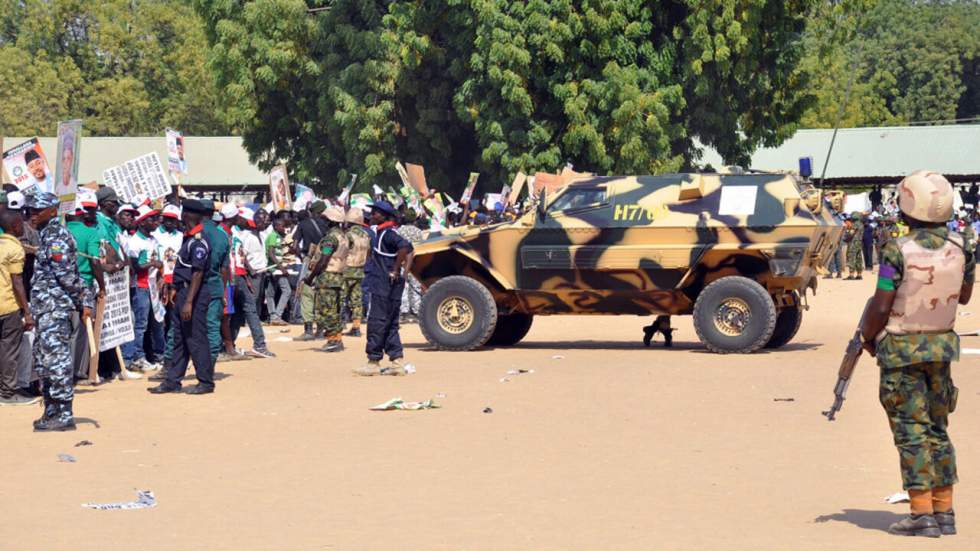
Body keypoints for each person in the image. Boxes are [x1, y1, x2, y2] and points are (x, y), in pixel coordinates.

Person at [860, 171, 974, 538]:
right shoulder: (961, 246)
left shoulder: (897, 249)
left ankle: (920, 513)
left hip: (901, 352)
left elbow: (881, 303)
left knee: (911, 432)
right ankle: (945, 511)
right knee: (938, 429)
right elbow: (966, 295)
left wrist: (867, 336)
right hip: (941, 349)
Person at [27, 192, 93, 431]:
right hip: (45, 308)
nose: (32, 214)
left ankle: (64, 413)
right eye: (30, 210)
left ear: (53, 211)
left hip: (55, 308)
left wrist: (83, 299)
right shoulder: (45, 234)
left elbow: (67, 276)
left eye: (37, 210)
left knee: (57, 360)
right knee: (44, 360)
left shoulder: (56, 237)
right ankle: (51, 409)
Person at [148, 199, 215, 395]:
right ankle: (173, 380)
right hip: (184, 292)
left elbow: (197, 273)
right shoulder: (189, 237)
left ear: (187, 215)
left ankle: (205, 381)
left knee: (196, 338)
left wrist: (188, 302)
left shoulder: (198, 240)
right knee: (180, 339)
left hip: (194, 294)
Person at [355, 201, 413, 376]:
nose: (372, 215)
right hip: (391, 285)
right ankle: (397, 362)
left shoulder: (387, 234)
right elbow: (410, 250)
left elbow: (404, 247)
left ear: (384, 216)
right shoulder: (386, 232)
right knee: (390, 323)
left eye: (375, 213)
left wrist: (396, 270)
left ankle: (373, 361)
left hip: (383, 285)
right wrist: (404, 273)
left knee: (377, 322)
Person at [65, 189, 105, 381]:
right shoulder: (90, 233)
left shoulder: (59, 231)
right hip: (83, 286)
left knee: (64, 330)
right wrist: (102, 285)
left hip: (61, 286)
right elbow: (95, 262)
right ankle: (77, 371)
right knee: (80, 330)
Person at [0, 210, 37, 405]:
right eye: (21, 224)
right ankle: (7, 393)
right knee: (9, 350)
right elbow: (17, 282)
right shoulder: (15, 250)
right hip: (7, 306)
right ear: (15, 226)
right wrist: (27, 312)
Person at [123, 205, 165, 371]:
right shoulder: (135, 242)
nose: (156, 222)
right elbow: (135, 266)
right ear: (142, 223)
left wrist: (161, 278)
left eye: (155, 218)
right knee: (141, 324)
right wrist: (152, 264)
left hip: (154, 287)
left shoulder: (153, 240)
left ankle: (159, 355)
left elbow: (159, 262)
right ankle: (138, 357)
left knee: (157, 322)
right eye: (151, 219)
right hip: (140, 287)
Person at [230, 207, 274, 357]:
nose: (266, 222)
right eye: (263, 219)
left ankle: (230, 344)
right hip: (250, 276)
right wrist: (250, 271)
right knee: (250, 309)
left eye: (267, 219)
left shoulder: (260, 235)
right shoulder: (247, 238)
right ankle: (259, 345)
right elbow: (243, 257)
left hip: (260, 274)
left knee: (242, 310)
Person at [303, 206, 348, 352]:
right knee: (334, 310)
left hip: (327, 278)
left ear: (330, 221)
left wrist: (310, 278)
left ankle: (332, 340)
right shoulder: (344, 236)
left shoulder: (330, 238)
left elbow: (323, 261)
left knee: (325, 311)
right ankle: (337, 339)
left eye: (324, 219)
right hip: (339, 277)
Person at [294, 201, 330, 341]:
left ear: (311, 211)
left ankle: (308, 330)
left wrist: (302, 256)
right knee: (321, 294)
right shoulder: (329, 225)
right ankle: (320, 330)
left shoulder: (303, 224)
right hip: (327, 261)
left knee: (306, 294)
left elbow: (295, 245)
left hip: (310, 261)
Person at [264, 212, 297, 325]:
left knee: (270, 293)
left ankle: (273, 316)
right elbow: (271, 253)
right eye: (282, 226)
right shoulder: (273, 236)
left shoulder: (279, 236)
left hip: (277, 268)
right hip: (275, 269)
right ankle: (277, 315)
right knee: (286, 290)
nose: (284, 228)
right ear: (276, 227)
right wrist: (281, 267)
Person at [343, 207, 369, 337]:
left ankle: (338, 325)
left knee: (341, 298)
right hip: (360, 269)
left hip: (347, 269)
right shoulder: (365, 235)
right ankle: (356, 327)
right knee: (356, 299)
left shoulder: (348, 235)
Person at [396, 210, 425, 322]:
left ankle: (404, 312)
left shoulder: (399, 231)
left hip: (402, 262)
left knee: (403, 286)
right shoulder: (419, 232)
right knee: (415, 286)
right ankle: (416, 311)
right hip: (415, 262)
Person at [844, 213, 864, 280]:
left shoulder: (855, 225)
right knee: (859, 259)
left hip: (853, 243)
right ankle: (859, 274)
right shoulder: (861, 224)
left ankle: (851, 275)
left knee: (852, 258)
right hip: (859, 243)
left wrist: (846, 239)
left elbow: (851, 234)